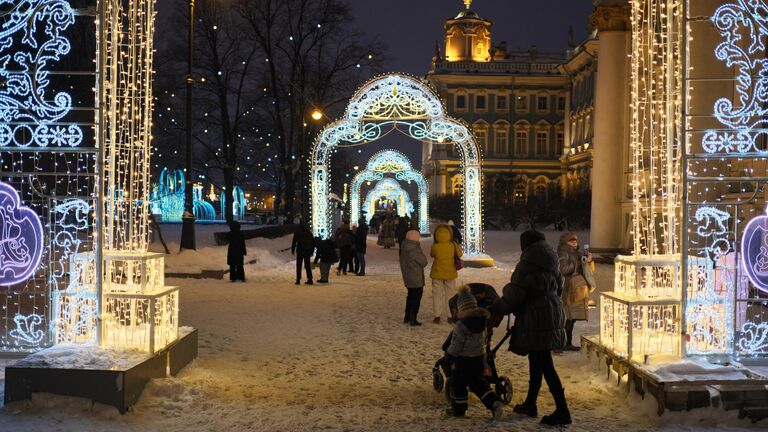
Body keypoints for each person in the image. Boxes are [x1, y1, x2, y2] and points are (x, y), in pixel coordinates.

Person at [493, 230, 571, 426]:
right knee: (537, 360)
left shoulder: (527, 265)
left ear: (525, 245)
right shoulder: (551, 260)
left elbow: (515, 294)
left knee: (545, 364)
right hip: (551, 312)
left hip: (536, 317)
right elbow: (559, 286)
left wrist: (499, 307)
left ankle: (563, 411)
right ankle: (531, 403)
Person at [444, 285, 504, 420]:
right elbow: (484, 343)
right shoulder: (483, 323)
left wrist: (449, 355)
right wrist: (484, 359)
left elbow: (457, 344)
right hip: (478, 359)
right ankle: (494, 403)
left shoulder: (461, 325)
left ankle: (459, 410)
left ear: (461, 309)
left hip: (463, 361)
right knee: (479, 384)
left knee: (458, 385)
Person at [557, 232, 593, 351]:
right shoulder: (563, 251)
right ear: (565, 242)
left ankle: (567, 343)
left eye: (575, 240)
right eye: (571, 240)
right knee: (567, 316)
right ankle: (563, 343)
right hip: (568, 287)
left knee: (572, 317)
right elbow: (563, 269)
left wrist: (589, 261)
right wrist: (578, 262)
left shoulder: (577, 252)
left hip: (577, 288)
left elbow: (589, 271)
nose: (574, 242)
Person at [430, 224, 461, 324]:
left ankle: (437, 316)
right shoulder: (453, 245)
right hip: (450, 272)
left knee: (437, 294)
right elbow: (460, 254)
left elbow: (432, 255)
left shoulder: (435, 246)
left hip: (437, 272)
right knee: (450, 294)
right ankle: (450, 316)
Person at [399, 230, 427, 326]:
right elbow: (424, 262)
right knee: (416, 298)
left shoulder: (404, 246)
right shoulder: (415, 249)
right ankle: (413, 319)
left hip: (407, 276)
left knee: (410, 296)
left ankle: (407, 316)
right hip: (416, 277)